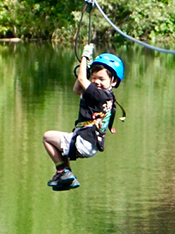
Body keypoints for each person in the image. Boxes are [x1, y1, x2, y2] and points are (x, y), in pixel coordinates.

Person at [42, 43, 124, 191]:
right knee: (58, 143)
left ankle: (63, 171)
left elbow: (81, 80)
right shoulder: (107, 96)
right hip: (88, 143)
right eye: (93, 78)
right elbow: (76, 89)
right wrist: (85, 71)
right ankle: (65, 176)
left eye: (101, 79)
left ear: (114, 81)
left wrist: (85, 56)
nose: (97, 82)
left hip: (84, 141)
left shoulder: (99, 94)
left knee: (47, 137)